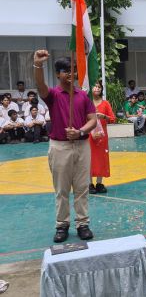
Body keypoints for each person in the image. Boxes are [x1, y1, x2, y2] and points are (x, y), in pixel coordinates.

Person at [33, 50, 97, 243]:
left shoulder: (83, 96)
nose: (71, 74)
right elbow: (40, 85)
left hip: (82, 145)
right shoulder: (52, 94)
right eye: (66, 71)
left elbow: (92, 120)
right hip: (59, 146)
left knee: (82, 188)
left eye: (73, 70)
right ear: (58, 74)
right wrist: (37, 65)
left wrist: (80, 132)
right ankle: (62, 225)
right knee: (61, 190)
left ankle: (82, 223)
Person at [88, 83, 115, 194]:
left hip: (102, 136)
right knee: (89, 159)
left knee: (101, 158)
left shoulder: (106, 103)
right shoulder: (87, 103)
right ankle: (89, 184)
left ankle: (99, 183)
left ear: (101, 90)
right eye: (95, 86)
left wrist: (104, 116)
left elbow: (113, 119)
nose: (97, 88)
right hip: (89, 135)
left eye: (99, 87)